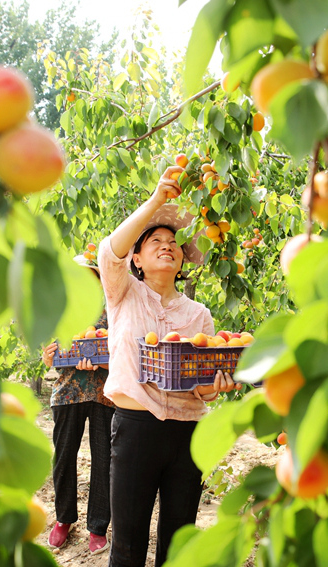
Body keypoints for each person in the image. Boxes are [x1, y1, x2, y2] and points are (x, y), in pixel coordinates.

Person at [97, 165, 239, 567]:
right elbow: (109, 252)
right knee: (127, 543)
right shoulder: (123, 293)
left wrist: (217, 388)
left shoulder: (199, 316)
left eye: (173, 242)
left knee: (178, 541)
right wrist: (158, 201)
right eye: (155, 240)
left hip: (186, 433)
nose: (167, 245)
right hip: (135, 428)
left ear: (181, 260)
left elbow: (200, 389)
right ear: (137, 259)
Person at [41, 256, 114, 555]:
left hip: (103, 393)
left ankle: (97, 527)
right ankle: (63, 520)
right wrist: (48, 357)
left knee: (103, 460)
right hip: (68, 392)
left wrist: (100, 360)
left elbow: (120, 355)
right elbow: (50, 359)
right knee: (64, 458)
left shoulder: (112, 314)